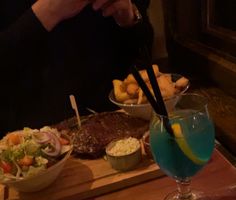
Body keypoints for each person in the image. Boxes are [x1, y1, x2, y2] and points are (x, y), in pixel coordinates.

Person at [0, 0, 153, 137]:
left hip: (122, 121)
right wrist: (46, 12)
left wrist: (129, 17)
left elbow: (143, 46)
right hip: (34, 137)